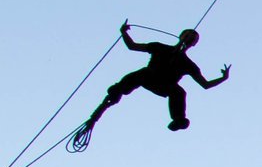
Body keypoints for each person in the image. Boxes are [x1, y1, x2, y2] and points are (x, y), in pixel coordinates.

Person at [84, 22, 231, 133]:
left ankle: (178, 119)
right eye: (188, 35)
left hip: (164, 85)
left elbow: (205, 84)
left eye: (193, 38)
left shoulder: (188, 64)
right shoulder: (160, 47)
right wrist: (123, 32)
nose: (189, 38)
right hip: (148, 77)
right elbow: (132, 46)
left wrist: (223, 78)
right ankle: (118, 90)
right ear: (181, 35)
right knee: (143, 72)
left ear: (194, 44)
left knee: (179, 92)